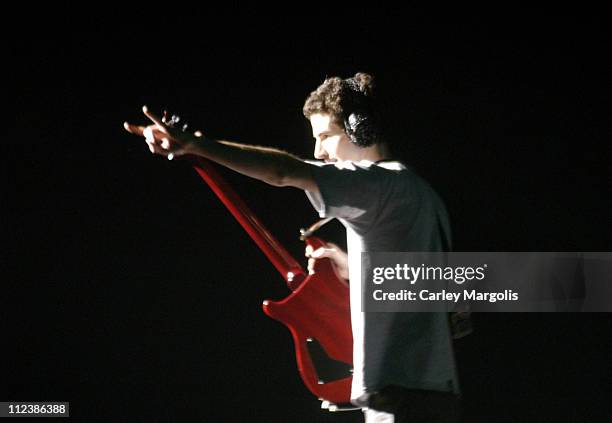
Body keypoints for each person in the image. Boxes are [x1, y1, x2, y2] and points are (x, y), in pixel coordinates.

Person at [124, 72, 460, 422]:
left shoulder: (377, 184)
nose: (319, 151)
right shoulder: (422, 194)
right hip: (436, 394)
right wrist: (355, 267)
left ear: (362, 129)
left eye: (326, 136)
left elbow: (285, 172)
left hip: (399, 398)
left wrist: (196, 145)